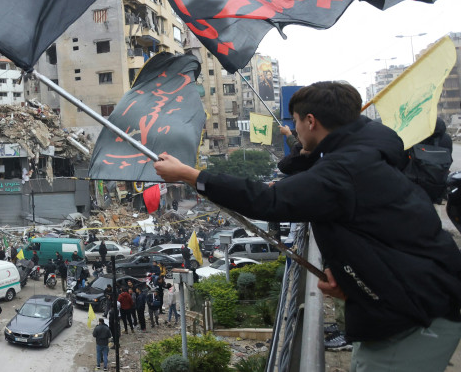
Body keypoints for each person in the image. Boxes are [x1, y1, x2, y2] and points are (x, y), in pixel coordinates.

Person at [154, 81, 461, 371]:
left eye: (297, 121)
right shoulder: (366, 149)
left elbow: (267, 200)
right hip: (416, 298)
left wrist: (190, 175)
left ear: (311, 121)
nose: (295, 128)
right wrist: (353, 275)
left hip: (416, 315)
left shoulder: (343, 170)